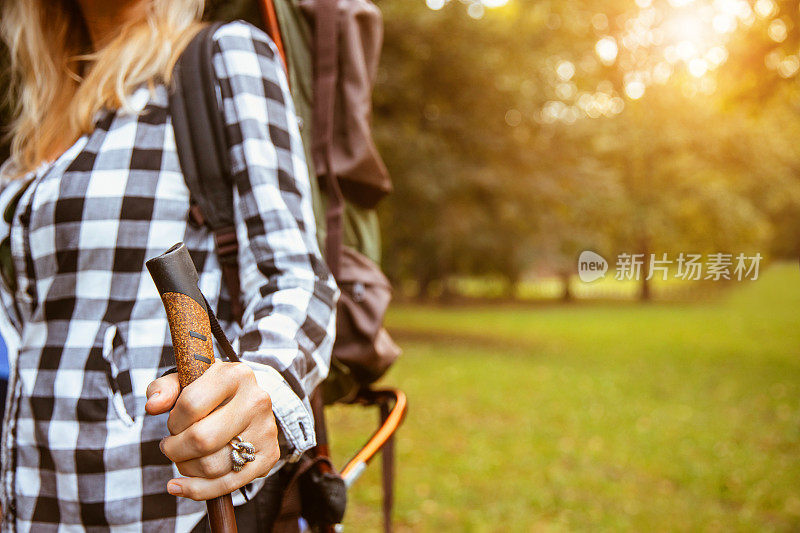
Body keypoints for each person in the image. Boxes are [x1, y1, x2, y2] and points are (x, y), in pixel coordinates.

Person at [0, 0, 338, 531]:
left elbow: (296, 278)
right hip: (33, 502)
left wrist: (261, 392)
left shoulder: (222, 57)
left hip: (163, 510)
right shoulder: (33, 126)